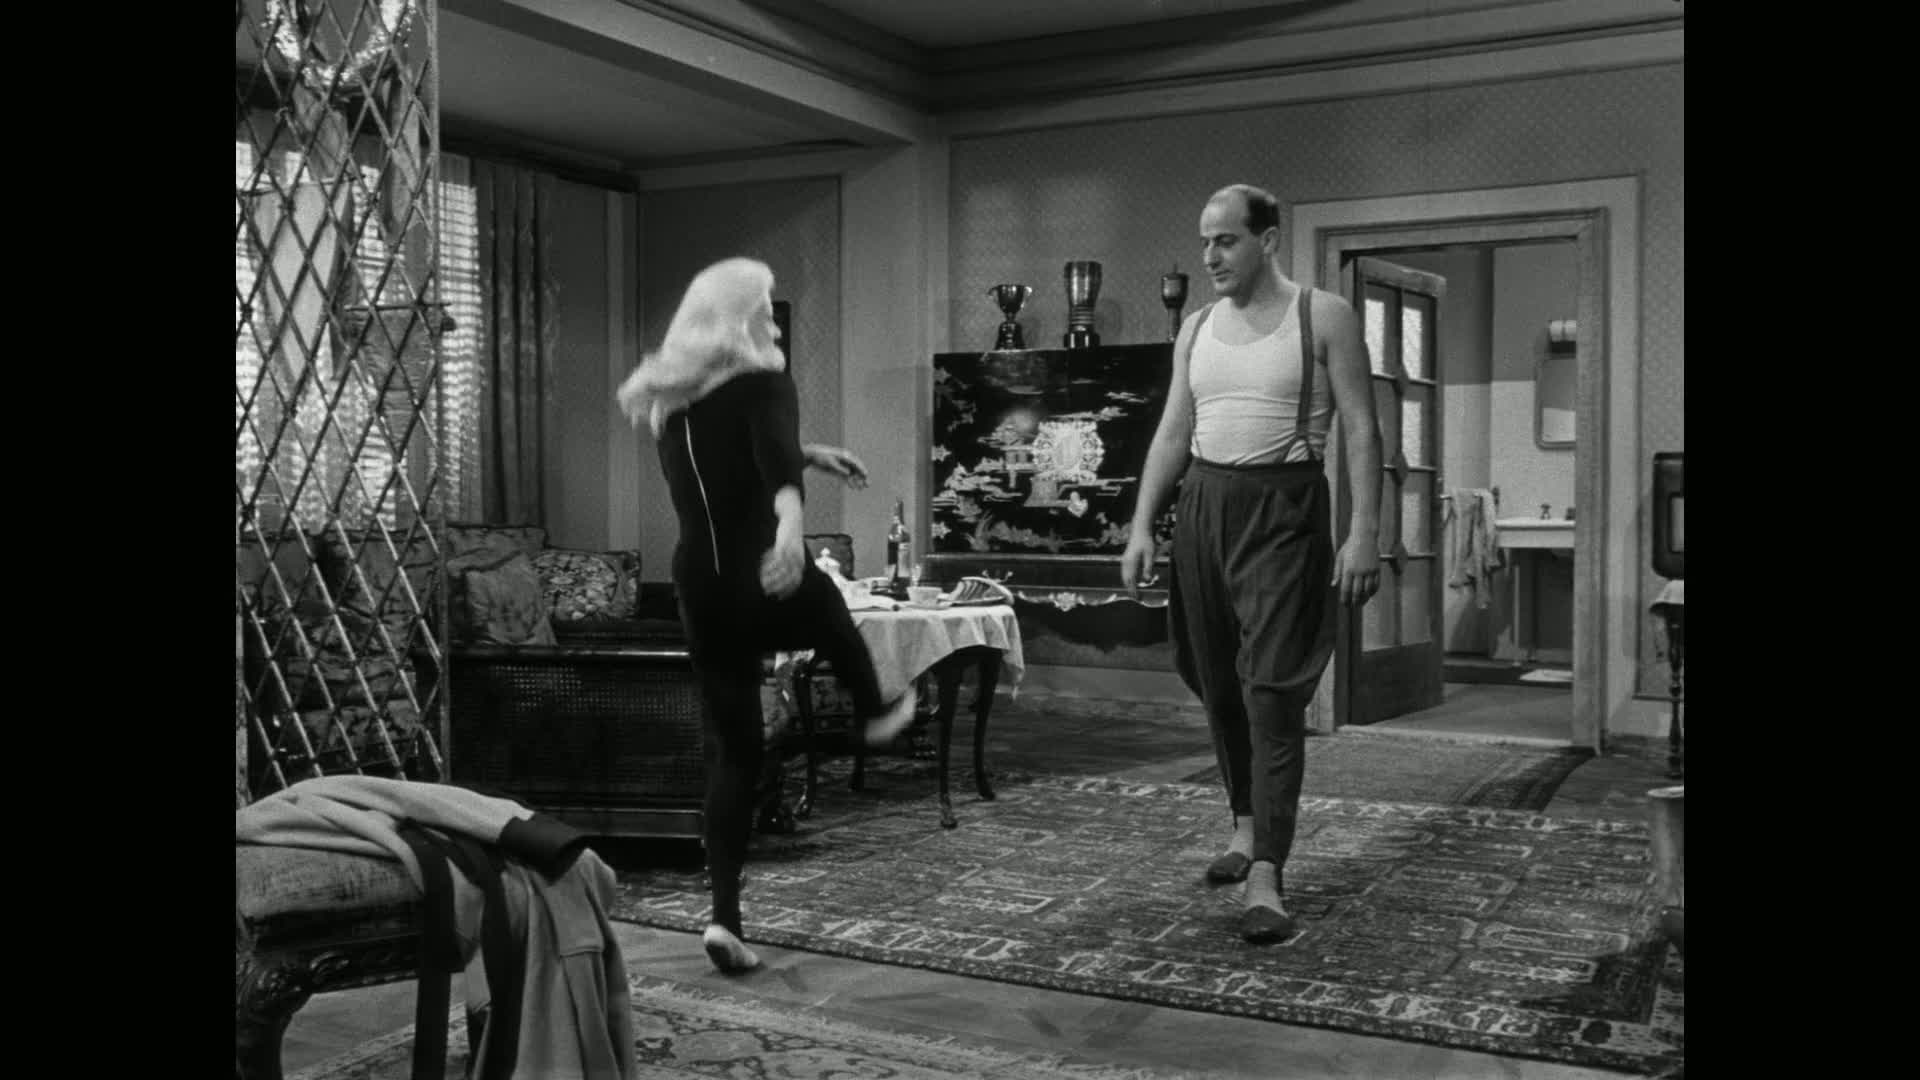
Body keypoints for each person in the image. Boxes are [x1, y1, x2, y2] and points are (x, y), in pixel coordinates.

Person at [617, 257, 916, 974]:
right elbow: (772, 469)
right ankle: (876, 711)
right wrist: (790, 531)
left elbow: (737, 456)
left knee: (734, 753)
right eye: (764, 309)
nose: (773, 323)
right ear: (742, 319)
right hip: (759, 569)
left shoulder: (670, 399)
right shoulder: (765, 382)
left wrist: (808, 454)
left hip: (699, 585)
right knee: (828, 606)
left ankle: (723, 917)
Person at [1119, 185, 1382, 943]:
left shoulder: (1323, 315)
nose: (1210, 256)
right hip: (1204, 504)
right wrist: (1141, 527)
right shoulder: (1197, 327)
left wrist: (1364, 532)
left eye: (1226, 240)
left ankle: (1268, 868)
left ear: (1267, 240)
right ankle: (1244, 823)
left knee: (1272, 688)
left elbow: (1362, 430)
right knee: (1215, 677)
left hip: (1284, 507)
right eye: (1205, 241)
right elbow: (1174, 431)